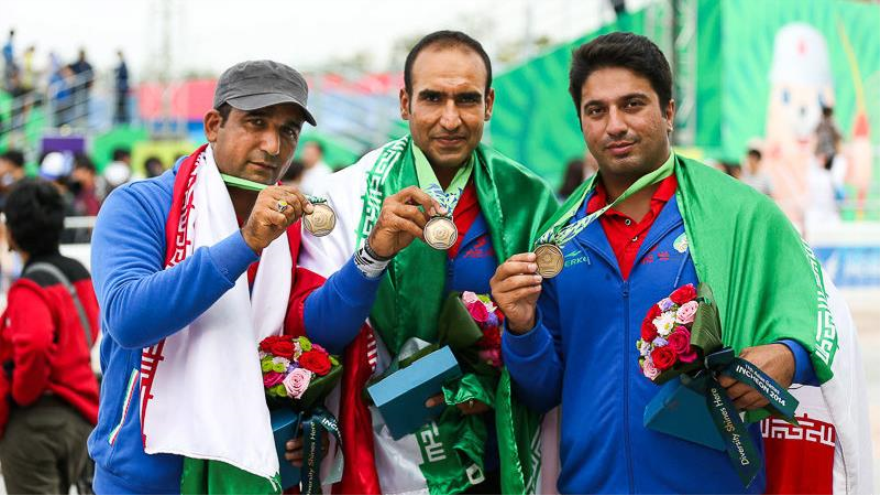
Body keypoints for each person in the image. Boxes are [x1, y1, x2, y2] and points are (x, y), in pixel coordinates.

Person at [490, 32, 863, 495]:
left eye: (633, 105)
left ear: (668, 112)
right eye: (596, 110)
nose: (615, 125)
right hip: (590, 486)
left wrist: (789, 356)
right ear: (581, 121)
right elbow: (544, 391)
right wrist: (523, 328)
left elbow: (821, 320)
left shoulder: (740, 213)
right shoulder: (559, 237)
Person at [283, 30, 558, 495]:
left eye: (466, 100)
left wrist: (522, 330)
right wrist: (372, 255)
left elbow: (548, 384)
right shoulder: (348, 196)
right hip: (380, 464)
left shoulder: (529, 201)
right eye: (433, 99)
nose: (450, 119)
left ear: (489, 104)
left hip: (494, 464)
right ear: (405, 103)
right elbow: (316, 331)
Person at [87, 59, 317, 495]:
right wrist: (245, 244)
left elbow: (310, 330)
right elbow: (127, 317)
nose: (272, 145)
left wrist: (372, 257)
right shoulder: (138, 205)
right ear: (214, 125)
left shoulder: (290, 222)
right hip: (143, 478)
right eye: (256, 122)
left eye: (288, 130)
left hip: (245, 470)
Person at [0, 179, 100, 495]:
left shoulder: (28, 288)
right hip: (84, 415)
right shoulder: (79, 274)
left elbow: (34, 343)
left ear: (11, 235)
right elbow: (93, 328)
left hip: (36, 424)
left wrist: (23, 393)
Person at [114, 50, 129, 124]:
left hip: (122, 88)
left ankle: (124, 122)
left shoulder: (123, 64)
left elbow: (125, 75)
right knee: (119, 106)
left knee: (123, 106)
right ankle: (120, 121)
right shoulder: (120, 64)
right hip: (120, 88)